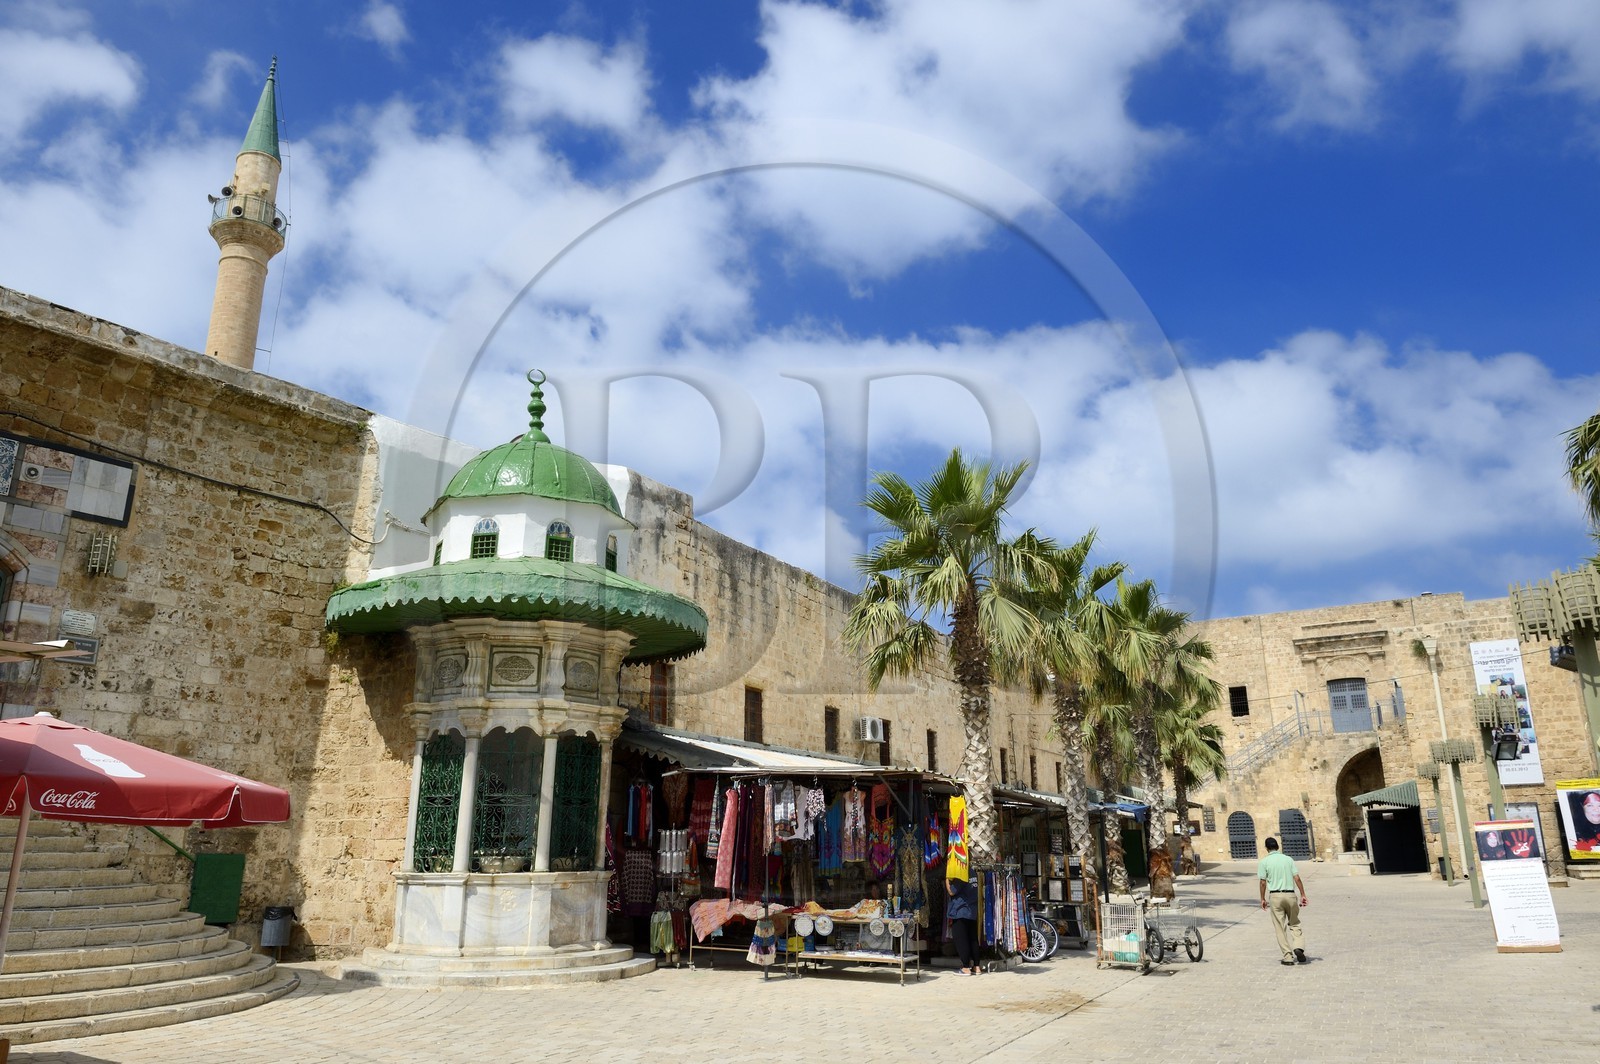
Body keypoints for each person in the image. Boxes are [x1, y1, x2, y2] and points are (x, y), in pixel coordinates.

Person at [1256, 836, 1308, 966]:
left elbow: (1263, 883)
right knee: (1294, 922)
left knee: (1280, 927)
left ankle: (1288, 956)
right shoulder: (1288, 859)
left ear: (1266, 848)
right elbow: (1297, 878)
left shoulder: (1264, 862)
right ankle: (1299, 947)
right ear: (1278, 847)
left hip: (1275, 897)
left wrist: (1262, 898)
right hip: (1290, 895)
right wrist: (1303, 894)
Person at [946, 875, 981, 975]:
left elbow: (951, 891)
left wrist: (947, 880)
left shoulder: (961, 873)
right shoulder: (972, 872)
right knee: (972, 938)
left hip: (960, 910)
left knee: (961, 939)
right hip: (972, 910)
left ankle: (966, 967)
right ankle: (976, 966)